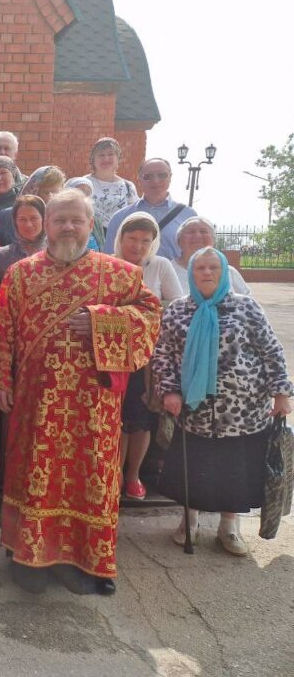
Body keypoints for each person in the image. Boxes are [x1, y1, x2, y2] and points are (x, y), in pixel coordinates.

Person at [0, 189, 161, 595]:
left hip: (95, 406)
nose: (68, 227)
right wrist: (2, 380)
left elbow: (150, 317)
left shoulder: (120, 274)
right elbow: (4, 331)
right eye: (60, 219)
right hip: (37, 401)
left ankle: (92, 562)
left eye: (77, 220)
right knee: (36, 471)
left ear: (91, 224)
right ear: (48, 224)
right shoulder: (21, 274)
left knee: (93, 478)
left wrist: (104, 321)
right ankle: (28, 555)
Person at [154, 247, 292, 555]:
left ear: (224, 272)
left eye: (213, 267)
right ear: (191, 273)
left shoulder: (246, 308)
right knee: (193, 466)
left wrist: (281, 393)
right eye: (200, 267)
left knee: (235, 469)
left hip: (243, 409)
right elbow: (163, 356)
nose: (206, 273)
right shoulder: (177, 310)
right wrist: (170, 391)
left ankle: (229, 526)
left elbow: (271, 350)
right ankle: (188, 522)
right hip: (194, 410)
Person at [112, 211, 183, 500]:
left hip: (146, 356)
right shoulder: (109, 265)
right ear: (121, 239)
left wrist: (144, 312)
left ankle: (133, 475)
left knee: (140, 417)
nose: (138, 246)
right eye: (132, 239)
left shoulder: (160, 266)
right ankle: (113, 475)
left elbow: (176, 305)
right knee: (115, 417)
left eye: (145, 240)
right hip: (113, 353)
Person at [104, 158, 196, 258]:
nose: (155, 180)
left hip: (172, 274)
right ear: (139, 180)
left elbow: (196, 257)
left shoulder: (188, 216)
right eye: (148, 176)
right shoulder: (120, 217)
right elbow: (109, 258)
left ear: (170, 177)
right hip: (131, 273)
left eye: (162, 175)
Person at [171, 217, 252, 296]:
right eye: (191, 231)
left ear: (213, 241)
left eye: (203, 231)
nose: (198, 236)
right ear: (179, 241)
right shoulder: (168, 270)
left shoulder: (229, 271)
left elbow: (250, 304)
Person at [0, 194, 46, 296]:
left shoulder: (57, 254)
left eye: (34, 218)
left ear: (44, 220)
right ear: (15, 222)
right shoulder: (0, 257)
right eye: (22, 219)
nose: (28, 224)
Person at [0, 166, 65, 246]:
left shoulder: (63, 218)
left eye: (56, 192)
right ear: (34, 191)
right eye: (47, 192)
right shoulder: (6, 216)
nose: (52, 197)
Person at [87, 138, 138, 228]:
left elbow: (134, 218)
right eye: (101, 155)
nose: (106, 159)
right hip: (89, 239)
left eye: (111, 154)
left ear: (118, 158)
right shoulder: (83, 184)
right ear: (93, 159)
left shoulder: (128, 187)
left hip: (118, 239)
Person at [65, 177, 106, 248]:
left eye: (88, 193)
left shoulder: (95, 218)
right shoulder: (61, 215)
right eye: (80, 191)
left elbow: (102, 243)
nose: (85, 196)